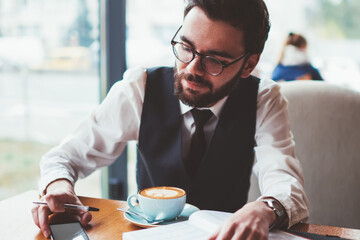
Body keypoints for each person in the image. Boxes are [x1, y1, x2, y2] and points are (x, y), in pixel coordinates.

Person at [32, 0, 309, 239]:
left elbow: (285, 181)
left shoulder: (263, 98)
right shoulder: (139, 87)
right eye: (186, 47)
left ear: (248, 64)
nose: (191, 69)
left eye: (214, 60)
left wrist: (265, 209)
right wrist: (58, 185)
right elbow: (64, 157)